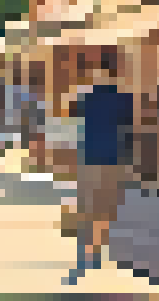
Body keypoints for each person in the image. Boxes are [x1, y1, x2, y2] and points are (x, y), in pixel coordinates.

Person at [65, 61, 133, 285]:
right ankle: (96, 251)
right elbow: (131, 128)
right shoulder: (125, 99)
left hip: (91, 159)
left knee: (87, 208)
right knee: (106, 208)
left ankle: (85, 253)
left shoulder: (89, 97)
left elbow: (69, 111)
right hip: (114, 160)